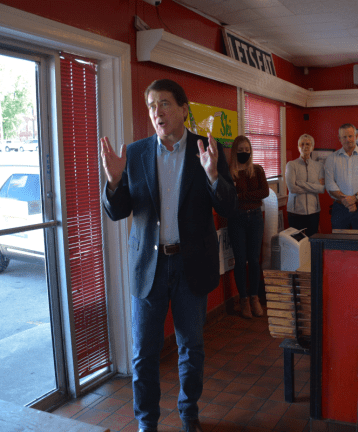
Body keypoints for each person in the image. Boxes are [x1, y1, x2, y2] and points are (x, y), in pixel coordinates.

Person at [100, 79, 237, 432]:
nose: (156, 112)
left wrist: (212, 176)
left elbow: (228, 205)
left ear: (183, 110)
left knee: (190, 346)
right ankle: (147, 421)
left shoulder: (207, 149)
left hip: (191, 266)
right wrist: (115, 183)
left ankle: (188, 411)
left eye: (163, 103)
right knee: (144, 353)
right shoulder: (137, 153)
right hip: (150, 266)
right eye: (150, 106)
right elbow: (119, 211)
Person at [227, 135, 269, 319]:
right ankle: (243, 300)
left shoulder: (257, 170)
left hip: (256, 218)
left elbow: (265, 192)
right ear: (235, 151)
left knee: (253, 259)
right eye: (241, 150)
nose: (244, 153)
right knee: (240, 260)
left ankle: (254, 298)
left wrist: (242, 196)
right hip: (236, 220)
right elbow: (229, 198)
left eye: (247, 150)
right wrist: (251, 196)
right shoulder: (229, 173)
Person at [325, 123, 358, 230]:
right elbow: (330, 184)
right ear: (339, 138)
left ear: (356, 136)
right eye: (344, 137)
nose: (348, 139)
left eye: (350, 136)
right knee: (338, 243)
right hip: (339, 208)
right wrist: (345, 200)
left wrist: (355, 198)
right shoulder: (331, 158)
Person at [285, 133, 325, 236]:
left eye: (308, 144)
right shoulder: (291, 165)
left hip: (314, 212)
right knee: (297, 243)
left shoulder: (319, 166)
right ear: (298, 147)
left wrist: (302, 183)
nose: (305, 147)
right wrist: (314, 186)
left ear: (312, 147)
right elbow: (292, 188)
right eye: (302, 144)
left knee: (313, 242)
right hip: (295, 212)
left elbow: (321, 189)